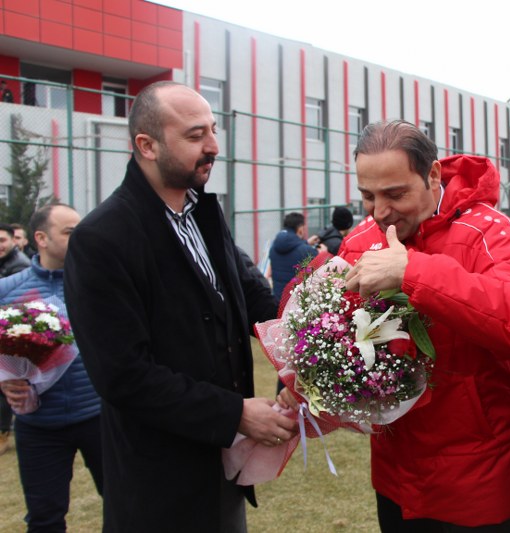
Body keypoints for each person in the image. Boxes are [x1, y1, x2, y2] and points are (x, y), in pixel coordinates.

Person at [63, 81, 298, 533]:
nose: (213, 147)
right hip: (159, 481)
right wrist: (235, 414)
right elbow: (123, 375)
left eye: (212, 131)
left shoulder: (203, 215)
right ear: (146, 145)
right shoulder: (102, 239)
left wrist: (317, 338)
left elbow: (250, 297)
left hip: (224, 469)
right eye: (195, 135)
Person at [339, 120, 510, 530]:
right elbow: (334, 325)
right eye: (368, 196)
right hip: (396, 478)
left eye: (395, 194)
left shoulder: (487, 229)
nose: (380, 211)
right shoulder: (361, 240)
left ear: (433, 175)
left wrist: (413, 271)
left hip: (477, 482)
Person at [0, 203, 103, 532]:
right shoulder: (8, 290)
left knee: (125, 504)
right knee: (44, 518)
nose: (80, 237)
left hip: (98, 416)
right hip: (39, 425)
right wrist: (4, 381)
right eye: (70, 232)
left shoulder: (100, 283)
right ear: (41, 238)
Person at [0, 222, 30, 454]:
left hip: (14, 332)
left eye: (2, 240)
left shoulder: (19, 266)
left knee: (8, 385)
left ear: (13, 240)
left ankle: (3, 432)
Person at [268, 212, 324, 306]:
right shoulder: (307, 251)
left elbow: (292, 249)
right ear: (300, 229)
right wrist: (322, 253)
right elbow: (322, 268)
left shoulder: (274, 247)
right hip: (296, 304)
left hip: (278, 301)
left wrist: (305, 243)